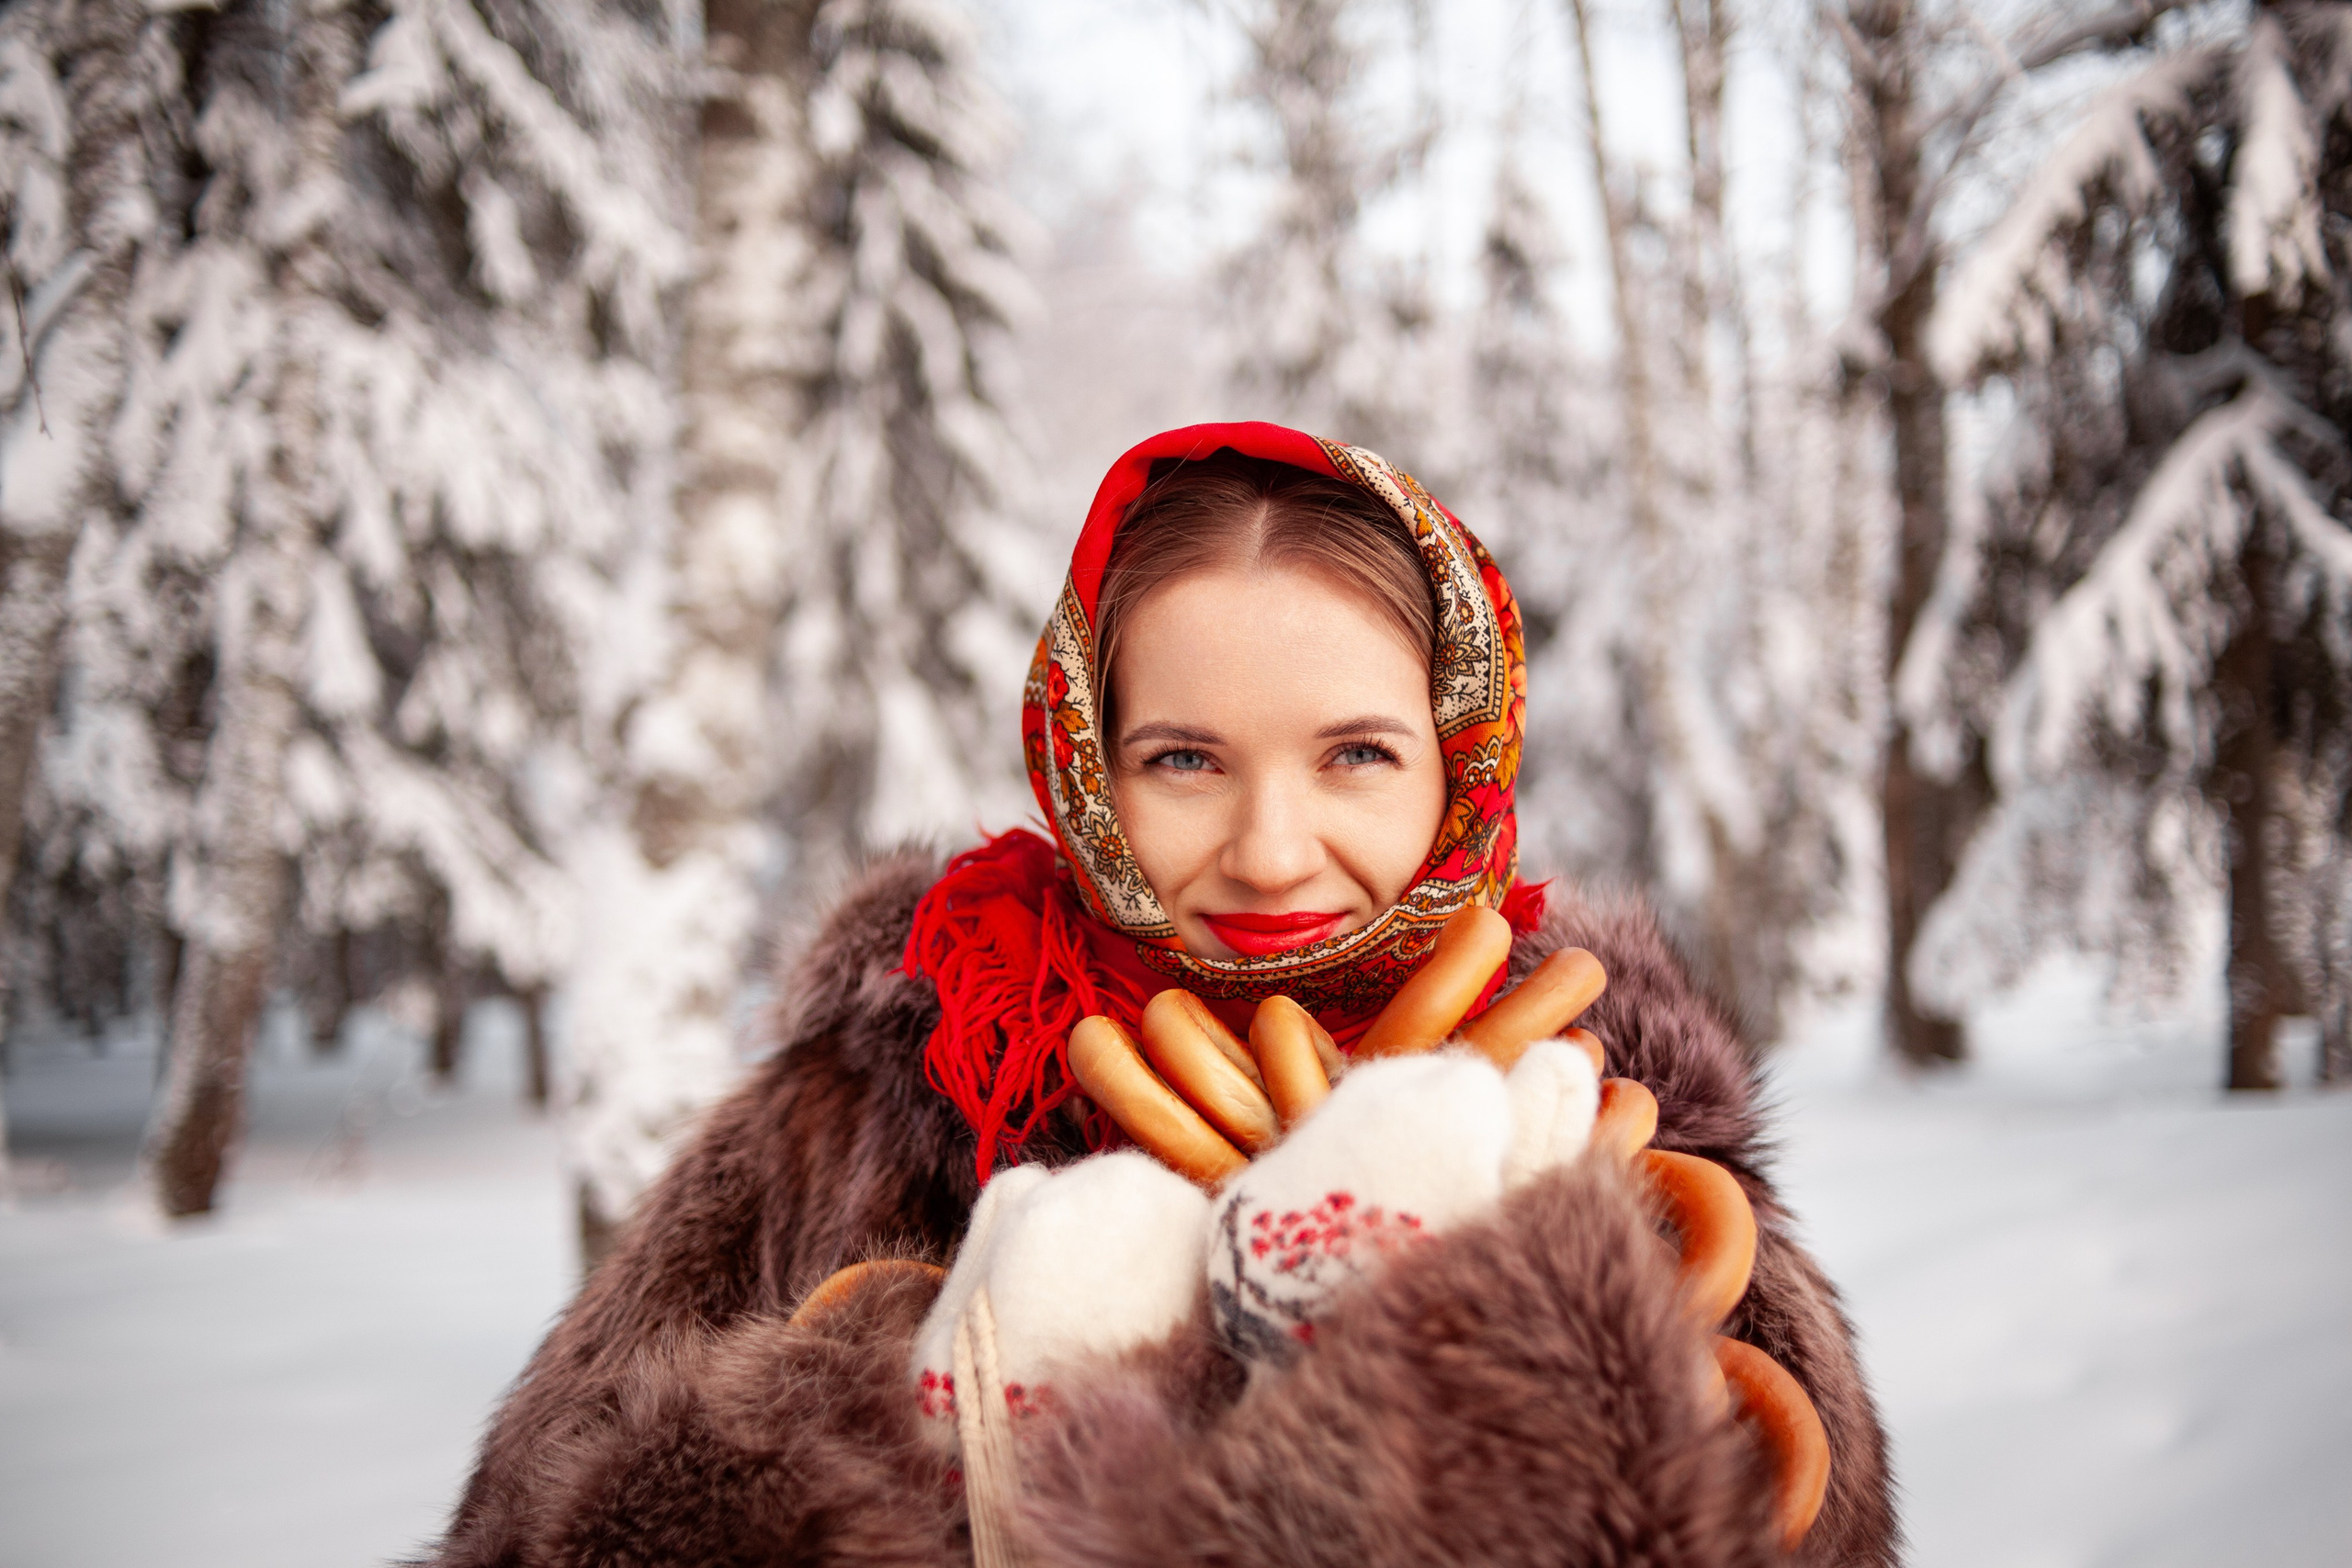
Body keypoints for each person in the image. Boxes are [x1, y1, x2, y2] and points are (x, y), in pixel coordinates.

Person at [418, 423, 1899, 1568]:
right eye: (1186, 759)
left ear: (1464, 757)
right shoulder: (886, 1092)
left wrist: (1521, 1360)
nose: (1269, 851)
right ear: (1090, 762)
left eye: (1356, 755)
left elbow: (1820, 1526)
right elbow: (523, 1534)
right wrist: (911, 1447)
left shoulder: (1603, 1110)